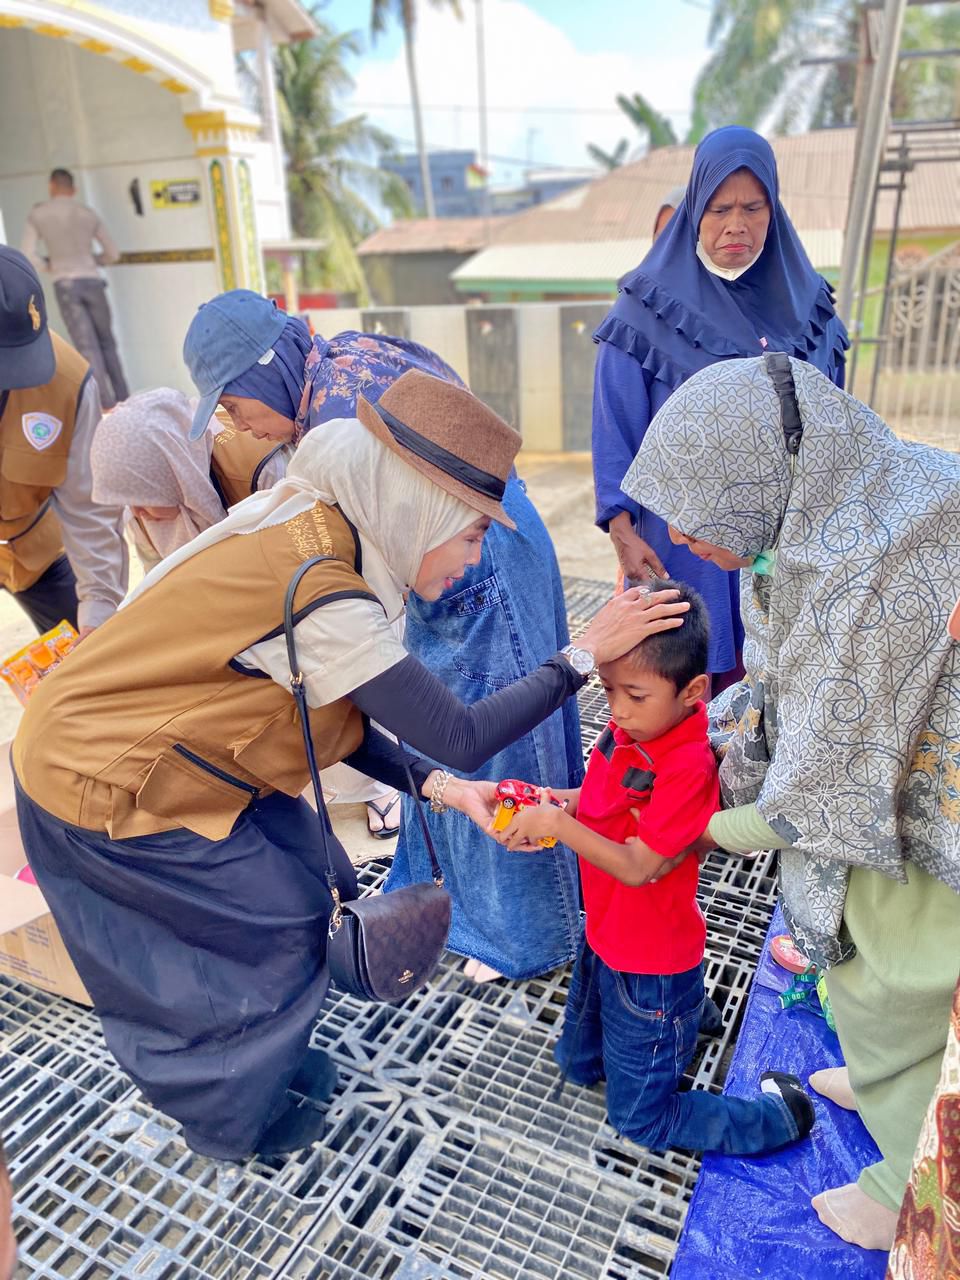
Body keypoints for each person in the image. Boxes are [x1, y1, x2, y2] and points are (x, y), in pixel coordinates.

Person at [11, 368, 687, 1162]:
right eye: (472, 534)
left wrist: (445, 790)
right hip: (103, 781)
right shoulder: (325, 590)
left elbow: (340, 713)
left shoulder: (320, 521)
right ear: (420, 506)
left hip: (183, 758)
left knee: (319, 876)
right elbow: (461, 732)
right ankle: (227, 1117)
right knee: (265, 938)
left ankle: (257, 1066)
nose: (473, 560)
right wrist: (580, 656)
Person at [622, 352, 960, 1250]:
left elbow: (816, 797)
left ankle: (905, 1186)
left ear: (750, 478)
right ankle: (885, 1086)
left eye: (698, 513)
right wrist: (693, 740)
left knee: (899, 985)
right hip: (878, 788)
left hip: (918, 814)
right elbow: (780, 689)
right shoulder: (809, 519)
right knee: (863, 975)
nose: (681, 539)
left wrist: (687, 831)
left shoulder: (867, 568)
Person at [183, 295, 585, 975]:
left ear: (263, 372)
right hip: (474, 546)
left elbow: (458, 730)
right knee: (450, 745)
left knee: (496, 753)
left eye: (234, 406)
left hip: (474, 558)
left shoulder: (341, 419)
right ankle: (463, 907)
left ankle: (525, 936)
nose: (241, 426)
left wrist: (584, 657)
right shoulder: (345, 356)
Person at [494, 581, 814, 1156]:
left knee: (641, 1119)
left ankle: (776, 1118)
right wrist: (557, 802)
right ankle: (690, 1017)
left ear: (692, 691)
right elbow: (600, 800)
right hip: (605, 933)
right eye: (608, 690)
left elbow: (641, 866)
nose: (616, 710)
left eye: (635, 695)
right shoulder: (629, 731)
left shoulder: (685, 765)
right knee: (577, 1060)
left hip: (650, 964)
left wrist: (558, 825)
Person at [592, 126, 848, 694]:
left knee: (781, 688)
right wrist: (620, 526)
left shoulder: (813, 313)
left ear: (773, 210)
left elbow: (840, 427)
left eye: (753, 208)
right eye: (719, 208)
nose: (737, 225)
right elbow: (615, 423)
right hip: (683, 547)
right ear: (694, 212)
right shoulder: (646, 310)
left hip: (786, 548)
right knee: (682, 686)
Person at [89, 384, 396, 837]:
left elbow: (316, 548)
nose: (138, 512)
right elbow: (162, 580)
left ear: (173, 468)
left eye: (142, 496)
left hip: (305, 596)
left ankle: (378, 788)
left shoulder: (260, 464)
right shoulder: (154, 504)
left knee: (328, 685)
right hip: (234, 616)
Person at [0, 247, 126, 636]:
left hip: (36, 545)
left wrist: (98, 607)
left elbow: (89, 506)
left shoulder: (67, 384)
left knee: (90, 652)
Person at [22, 168, 129, 409]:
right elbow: (113, 254)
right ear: (74, 189)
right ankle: (125, 398)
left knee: (87, 346)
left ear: (51, 186)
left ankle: (106, 405)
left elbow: (28, 254)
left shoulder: (38, 214)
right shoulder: (87, 213)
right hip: (93, 281)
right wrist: (93, 261)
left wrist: (51, 265)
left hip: (66, 284)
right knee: (107, 342)